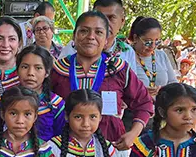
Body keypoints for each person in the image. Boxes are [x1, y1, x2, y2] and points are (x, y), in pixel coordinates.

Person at [50, 10, 153, 149]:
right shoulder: (58, 69)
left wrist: (133, 134)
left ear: (106, 40)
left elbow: (144, 103)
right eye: (84, 31)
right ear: (74, 36)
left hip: (110, 146)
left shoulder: (118, 69)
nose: (91, 37)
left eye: (98, 32)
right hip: (63, 149)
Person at [0, 45, 65, 141]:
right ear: (17, 70)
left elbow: (60, 140)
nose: (30, 73)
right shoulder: (2, 101)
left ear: (47, 72)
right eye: (25, 67)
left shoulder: (56, 104)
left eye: (38, 68)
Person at [59, 0, 138, 73]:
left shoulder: (127, 51)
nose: (105, 23)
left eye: (111, 18)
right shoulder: (73, 47)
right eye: (100, 17)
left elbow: (132, 85)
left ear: (122, 22)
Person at [130, 17, 178, 96]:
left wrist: (163, 90)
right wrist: (141, 92)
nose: (152, 46)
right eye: (148, 42)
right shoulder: (127, 56)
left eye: (157, 41)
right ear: (135, 38)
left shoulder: (161, 55)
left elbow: (174, 83)